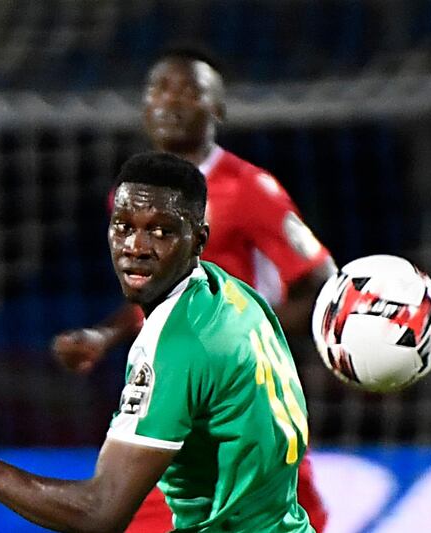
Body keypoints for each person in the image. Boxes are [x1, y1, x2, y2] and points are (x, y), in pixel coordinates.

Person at [0, 151, 314, 532]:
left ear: (199, 239)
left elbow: (100, 512)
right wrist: (106, 334)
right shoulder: (234, 294)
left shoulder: (178, 344)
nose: (135, 246)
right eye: (123, 226)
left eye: (161, 231)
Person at [52, 47, 335, 532]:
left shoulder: (251, 189)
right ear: (144, 107)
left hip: (238, 403)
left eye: (189, 91)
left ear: (217, 109)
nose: (172, 101)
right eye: (160, 89)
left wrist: (239, 340)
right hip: (169, 389)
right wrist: (105, 335)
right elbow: (157, 296)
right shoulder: (137, 197)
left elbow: (323, 284)